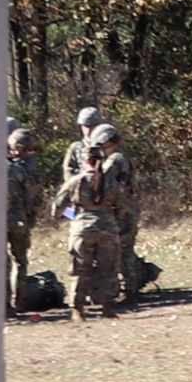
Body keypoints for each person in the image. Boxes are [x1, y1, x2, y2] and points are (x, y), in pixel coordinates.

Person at [53, 135, 119, 320]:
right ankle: (107, 309)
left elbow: (56, 210)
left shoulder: (75, 181)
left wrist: (74, 216)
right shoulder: (112, 183)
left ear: (83, 160)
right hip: (108, 229)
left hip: (81, 230)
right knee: (108, 268)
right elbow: (122, 209)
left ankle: (78, 311)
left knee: (80, 269)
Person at [93, 123, 142, 301]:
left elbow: (104, 184)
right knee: (126, 249)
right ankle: (131, 287)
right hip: (129, 209)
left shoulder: (113, 161)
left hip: (121, 212)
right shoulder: (124, 157)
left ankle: (127, 290)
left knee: (120, 251)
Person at [6, 128, 36, 316]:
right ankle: (19, 301)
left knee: (3, 263)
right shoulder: (23, 169)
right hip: (18, 221)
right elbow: (32, 196)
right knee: (20, 262)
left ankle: (5, 303)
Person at [62, 107, 104, 181]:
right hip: (81, 189)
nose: (88, 130)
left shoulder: (108, 146)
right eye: (85, 126)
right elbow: (68, 172)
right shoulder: (75, 147)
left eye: (91, 126)